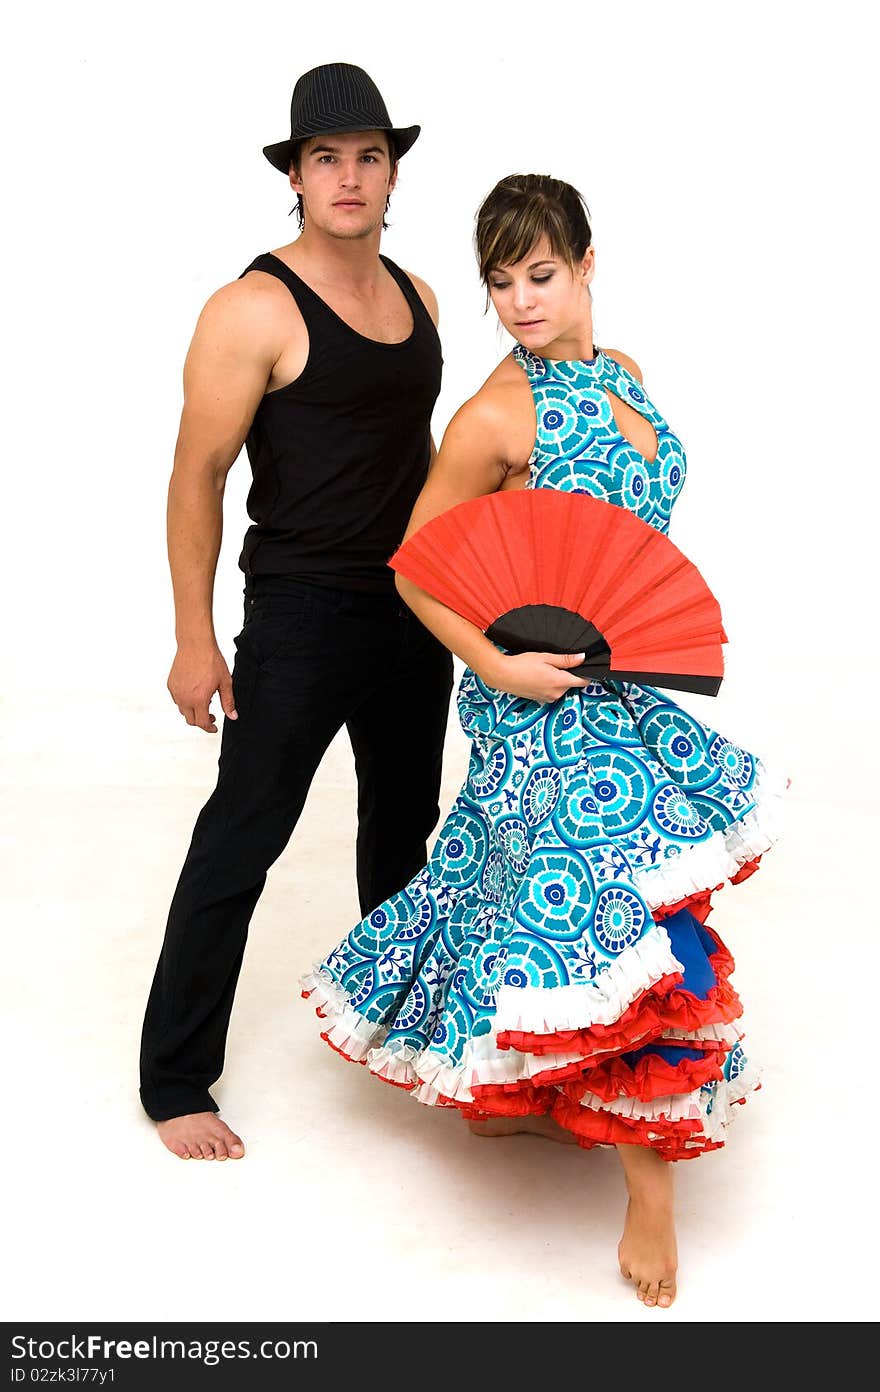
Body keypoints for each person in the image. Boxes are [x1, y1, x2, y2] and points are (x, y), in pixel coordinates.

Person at [302, 174, 784, 1309]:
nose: (519, 302)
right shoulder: (495, 415)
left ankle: (546, 1080)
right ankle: (650, 1191)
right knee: (608, 920)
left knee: (552, 906)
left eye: (540, 275)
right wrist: (497, 663)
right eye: (500, 283)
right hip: (531, 698)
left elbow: (623, 541)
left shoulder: (626, 379)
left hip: (624, 684)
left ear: (585, 263)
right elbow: (416, 566)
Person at [140, 63, 453, 1161]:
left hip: (416, 610)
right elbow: (197, 475)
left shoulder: (415, 293)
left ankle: (407, 1046)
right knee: (243, 839)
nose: (350, 176)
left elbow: (415, 461)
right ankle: (175, 1081)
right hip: (302, 613)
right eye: (327, 158)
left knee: (402, 843)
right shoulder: (252, 305)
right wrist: (193, 638)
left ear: (392, 169)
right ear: (297, 175)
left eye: (369, 155)